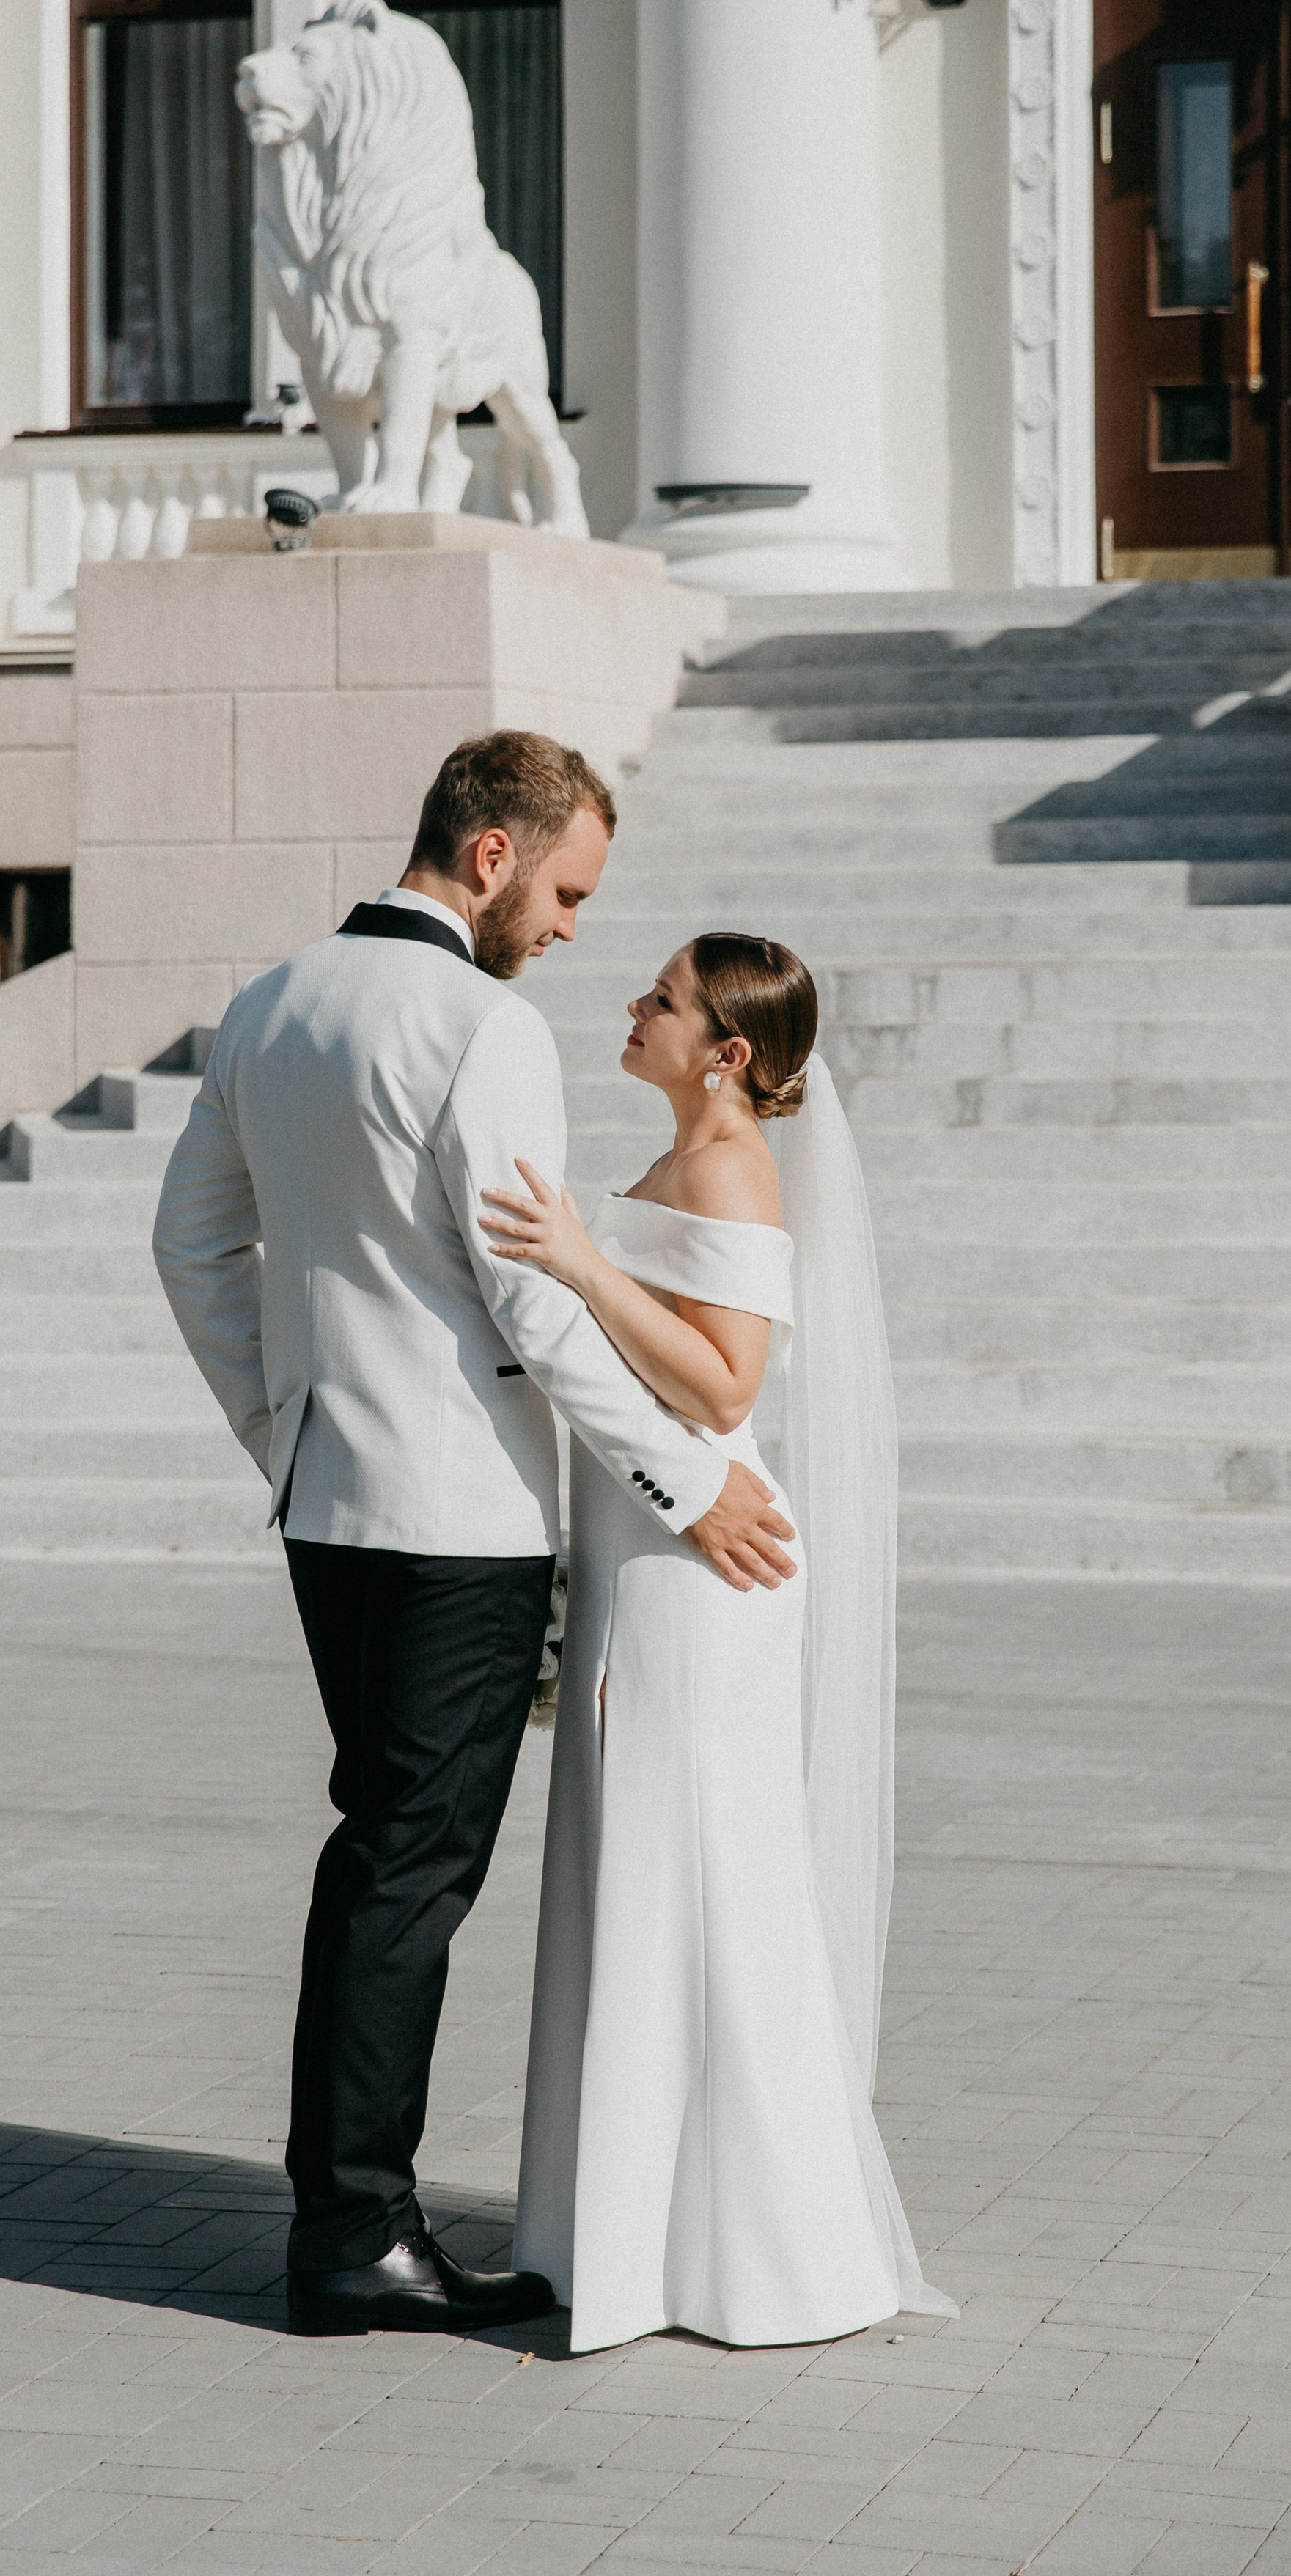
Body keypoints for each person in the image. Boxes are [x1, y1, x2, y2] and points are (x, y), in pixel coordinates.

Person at [152, 734, 798, 2338]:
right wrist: (684, 1482)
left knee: (379, 1847)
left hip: (327, 1503)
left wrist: (279, 1426)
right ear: (493, 854)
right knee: (409, 1868)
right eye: (568, 892)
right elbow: (533, 1298)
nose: (571, 929)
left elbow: (191, 1246)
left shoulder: (270, 1001)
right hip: (456, 1526)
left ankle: (350, 2214)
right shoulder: (480, 1026)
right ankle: (355, 2233)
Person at [482, 933, 958, 2351]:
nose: (635, 1005)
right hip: (649, 1554)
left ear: (728, 1053)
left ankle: (762, 2252)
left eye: (665, 999)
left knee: (702, 1881)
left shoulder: (733, 1168)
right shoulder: (683, 1160)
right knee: (644, 1875)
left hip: (704, 1564)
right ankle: (648, 2237)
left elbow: (727, 1383)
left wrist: (582, 1258)